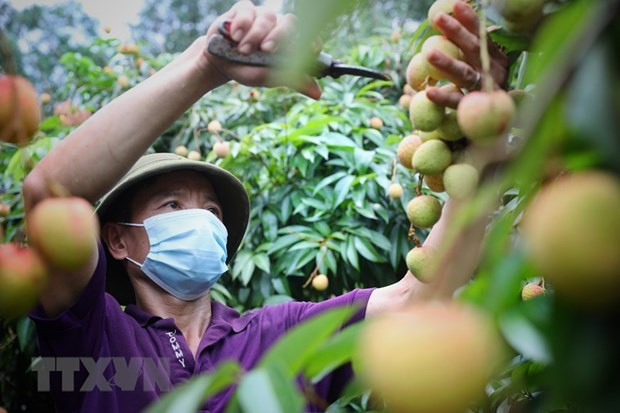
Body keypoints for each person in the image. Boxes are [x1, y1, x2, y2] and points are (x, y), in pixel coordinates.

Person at [23, 1, 509, 412]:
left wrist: (480, 143)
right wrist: (206, 66)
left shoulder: (278, 334)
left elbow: (415, 298)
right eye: (173, 204)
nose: (200, 220)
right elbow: (51, 196)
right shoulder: (94, 339)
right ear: (117, 238)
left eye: (212, 211)